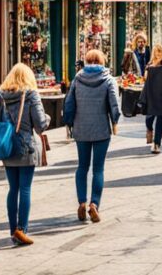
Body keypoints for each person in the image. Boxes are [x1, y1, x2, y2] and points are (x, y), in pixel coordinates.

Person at [0, 63, 50, 245]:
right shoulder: (31, 94)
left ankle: (12, 229)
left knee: (13, 188)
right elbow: (40, 124)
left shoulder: (0, 94)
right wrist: (47, 118)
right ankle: (22, 229)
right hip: (26, 147)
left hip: (7, 146)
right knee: (25, 189)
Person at [66, 49, 120, 223]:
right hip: (101, 129)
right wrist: (114, 121)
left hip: (81, 129)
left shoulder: (77, 79)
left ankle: (81, 201)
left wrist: (69, 122)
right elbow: (114, 103)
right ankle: (94, 204)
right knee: (98, 169)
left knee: (82, 167)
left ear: (86, 61)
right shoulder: (108, 79)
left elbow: (69, 103)